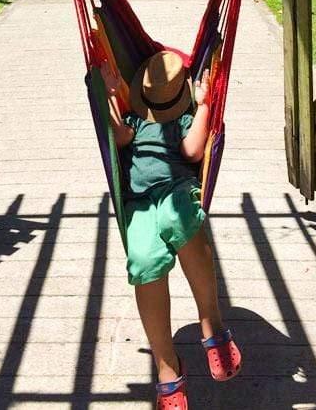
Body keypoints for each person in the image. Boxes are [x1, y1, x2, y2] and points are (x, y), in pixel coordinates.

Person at [101, 49, 242, 410]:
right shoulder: (135, 120)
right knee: (143, 261)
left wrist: (206, 105)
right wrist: (110, 95)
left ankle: (211, 324)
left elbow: (195, 151)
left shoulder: (183, 120)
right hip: (139, 204)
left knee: (179, 218)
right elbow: (116, 137)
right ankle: (167, 366)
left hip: (175, 192)